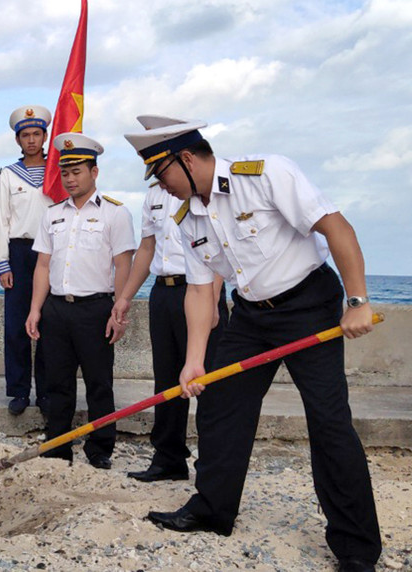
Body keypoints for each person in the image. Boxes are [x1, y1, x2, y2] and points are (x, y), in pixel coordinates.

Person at [124, 117, 381, 572]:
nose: (162, 189)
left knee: (329, 421)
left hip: (308, 305)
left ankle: (356, 547)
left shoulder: (265, 176)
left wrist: (357, 300)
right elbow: (202, 290)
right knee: (221, 407)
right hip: (250, 315)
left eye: (162, 176)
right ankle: (212, 509)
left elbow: (337, 228)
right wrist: (195, 361)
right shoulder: (187, 217)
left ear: (185, 159)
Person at [114, 115, 228, 482]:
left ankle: (213, 462)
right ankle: (168, 459)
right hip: (164, 294)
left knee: (207, 379)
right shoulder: (154, 196)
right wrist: (126, 297)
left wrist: (213, 300)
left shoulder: (207, 191)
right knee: (166, 381)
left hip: (200, 292)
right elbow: (147, 248)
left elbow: (218, 253)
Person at [25, 132, 136, 470]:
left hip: (95, 309)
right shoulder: (53, 214)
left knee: (99, 383)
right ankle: (58, 446)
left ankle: (100, 447)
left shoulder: (115, 214)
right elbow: (43, 264)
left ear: (94, 172)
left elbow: (123, 264)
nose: (70, 179)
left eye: (77, 172)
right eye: (65, 172)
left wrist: (119, 308)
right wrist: (35, 309)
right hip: (57, 309)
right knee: (56, 383)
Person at [0, 105, 54, 415]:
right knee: (16, 326)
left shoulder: (58, 172)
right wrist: (3, 263)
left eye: (36, 134)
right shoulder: (8, 174)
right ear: (18, 140)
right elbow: (1, 221)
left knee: (48, 324)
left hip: (51, 253)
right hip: (19, 253)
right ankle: (18, 391)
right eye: (25, 135)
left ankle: (46, 392)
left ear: (45, 136)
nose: (31, 140)